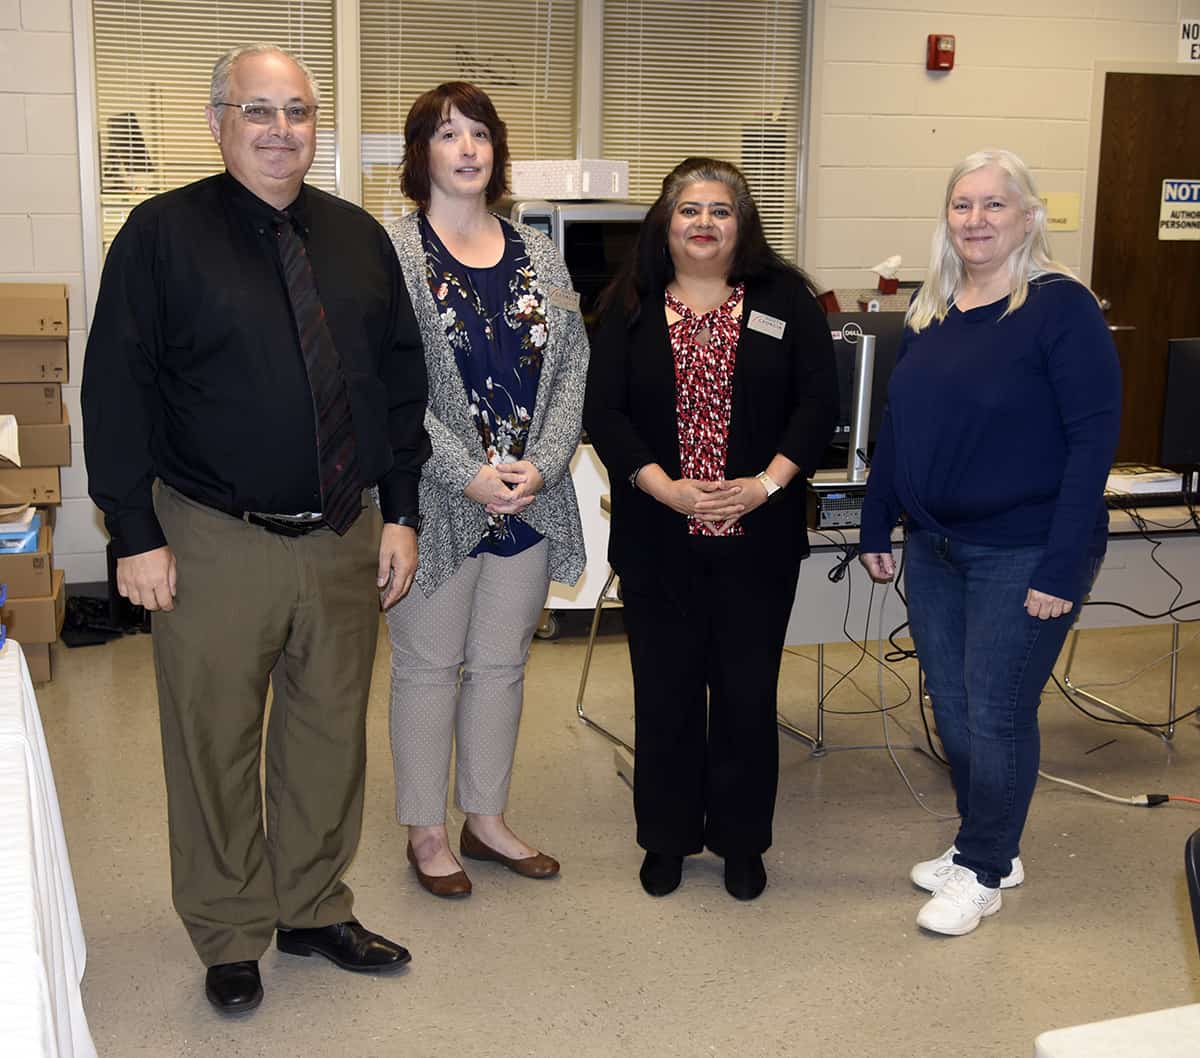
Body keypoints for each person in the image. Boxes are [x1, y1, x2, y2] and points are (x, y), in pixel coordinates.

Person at [81, 44, 432, 1013]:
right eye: (259, 111)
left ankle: (314, 904)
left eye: (299, 112)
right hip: (210, 537)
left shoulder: (359, 239)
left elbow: (398, 389)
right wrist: (132, 531)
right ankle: (230, 927)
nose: (282, 130)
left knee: (328, 737)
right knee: (215, 742)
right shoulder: (159, 235)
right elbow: (116, 388)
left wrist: (398, 511)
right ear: (219, 121)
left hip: (342, 534)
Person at [858, 148, 1121, 936]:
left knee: (996, 714)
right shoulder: (932, 309)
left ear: (1029, 217)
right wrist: (878, 519)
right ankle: (991, 847)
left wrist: (1063, 565)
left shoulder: (1059, 307)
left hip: (1024, 549)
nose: (976, 219)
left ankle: (981, 868)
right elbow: (899, 426)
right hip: (938, 547)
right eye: (963, 204)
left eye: (995, 205)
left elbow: (1092, 441)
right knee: (956, 707)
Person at [583, 157, 839, 901]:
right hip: (660, 534)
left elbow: (817, 405)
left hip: (758, 537)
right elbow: (606, 413)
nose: (704, 223)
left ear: (742, 221)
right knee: (663, 694)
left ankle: (741, 842)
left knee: (746, 694)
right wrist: (666, 490)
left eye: (720, 210)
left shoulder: (786, 298)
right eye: (689, 209)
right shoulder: (627, 304)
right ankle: (665, 839)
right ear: (666, 221)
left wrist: (763, 486)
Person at [382, 82, 587, 898]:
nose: (466, 148)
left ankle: (487, 818)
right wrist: (462, 469)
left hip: (531, 496)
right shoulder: (391, 253)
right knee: (428, 669)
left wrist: (546, 460)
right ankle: (426, 832)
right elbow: (389, 382)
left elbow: (572, 363)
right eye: (446, 135)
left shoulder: (539, 252)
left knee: (502, 666)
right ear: (421, 154)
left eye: (479, 134)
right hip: (439, 495)